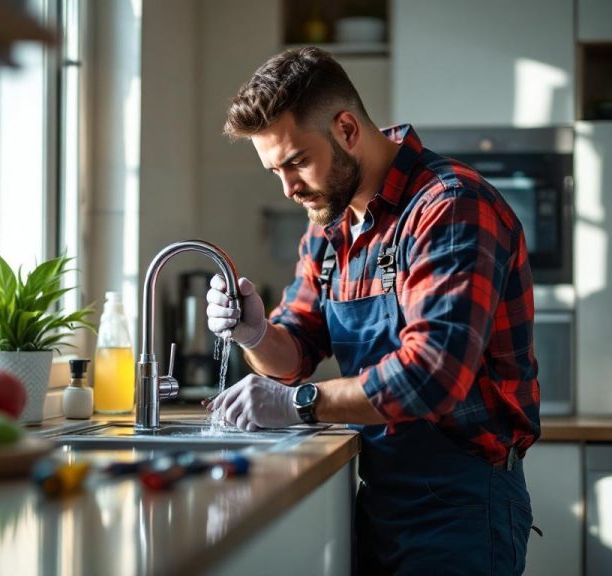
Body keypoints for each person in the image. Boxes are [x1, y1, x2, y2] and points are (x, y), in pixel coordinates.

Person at [205, 47, 540, 575]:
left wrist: (297, 404)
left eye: (296, 162)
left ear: (346, 129)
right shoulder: (329, 225)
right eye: (275, 170)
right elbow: (296, 351)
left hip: (463, 503)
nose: (289, 188)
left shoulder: (449, 206)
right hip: (380, 494)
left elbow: (433, 373)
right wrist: (254, 334)